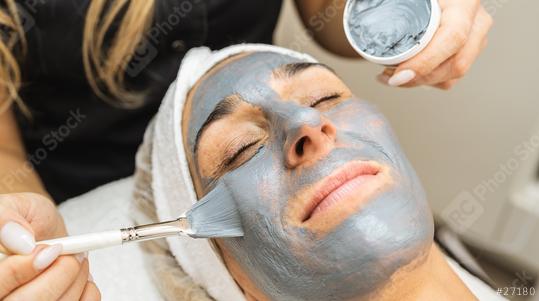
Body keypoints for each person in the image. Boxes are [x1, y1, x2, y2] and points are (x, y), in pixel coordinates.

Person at [0, 1, 492, 300]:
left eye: (324, 97)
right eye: (241, 150)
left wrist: (391, 12)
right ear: (233, 285)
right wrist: (18, 227)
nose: (307, 123)